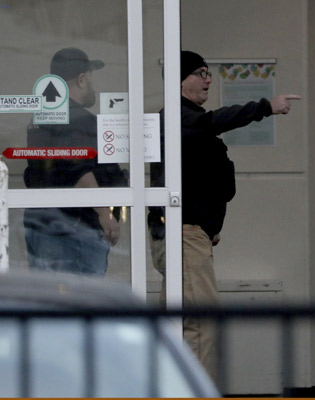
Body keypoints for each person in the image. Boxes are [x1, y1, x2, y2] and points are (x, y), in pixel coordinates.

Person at [148, 50, 300, 382]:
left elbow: (199, 181)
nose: (208, 79)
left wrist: (209, 225)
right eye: (201, 72)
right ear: (181, 79)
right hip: (182, 236)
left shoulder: (187, 122)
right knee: (199, 323)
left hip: (190, 234)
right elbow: (213, 121)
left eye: (208, 72)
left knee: (182, 322)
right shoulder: (178, 118)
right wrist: (265, 107)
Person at [23, 47, 127, 276]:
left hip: (45, 226)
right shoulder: (77, 117)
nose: (92, 85)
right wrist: (105, 214)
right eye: (90, 78)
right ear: (81, 79)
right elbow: (77, 168)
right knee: (80, 303)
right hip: (75, 230)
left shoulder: (42, 117)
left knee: (52, 304)